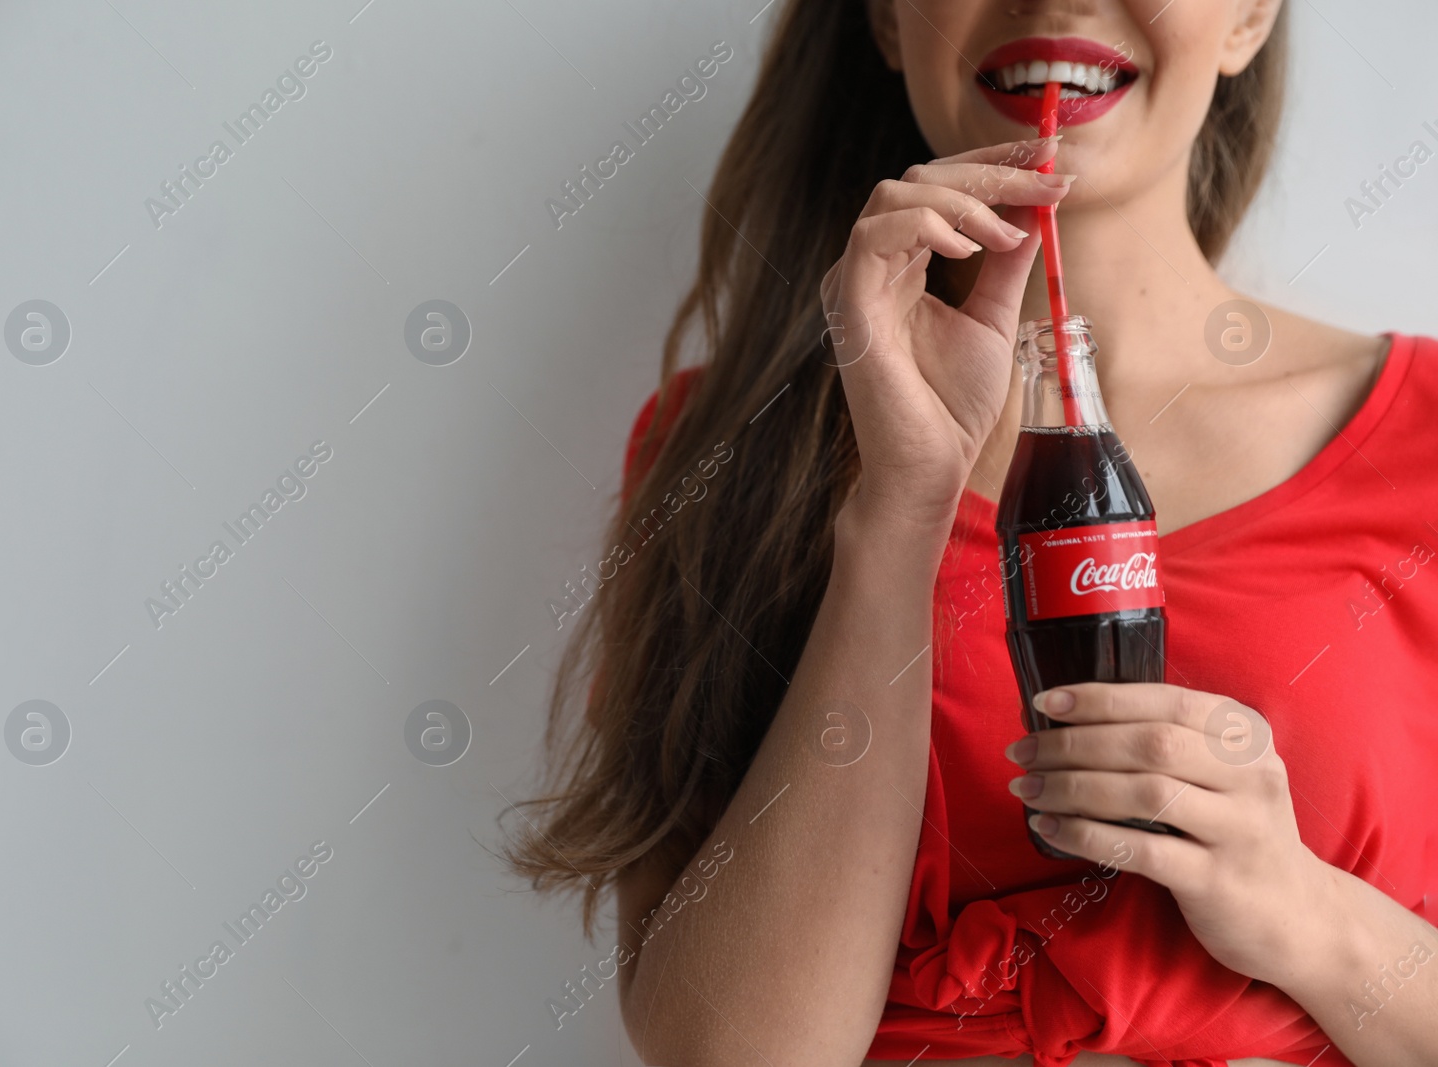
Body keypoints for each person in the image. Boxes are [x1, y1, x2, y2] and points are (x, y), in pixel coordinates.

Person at [507, 1, 1438, 1064]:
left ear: (1247, 16)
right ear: (889, 20)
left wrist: (1301, 911)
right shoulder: (727, 458)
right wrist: (899, 505)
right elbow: (733, 1052)